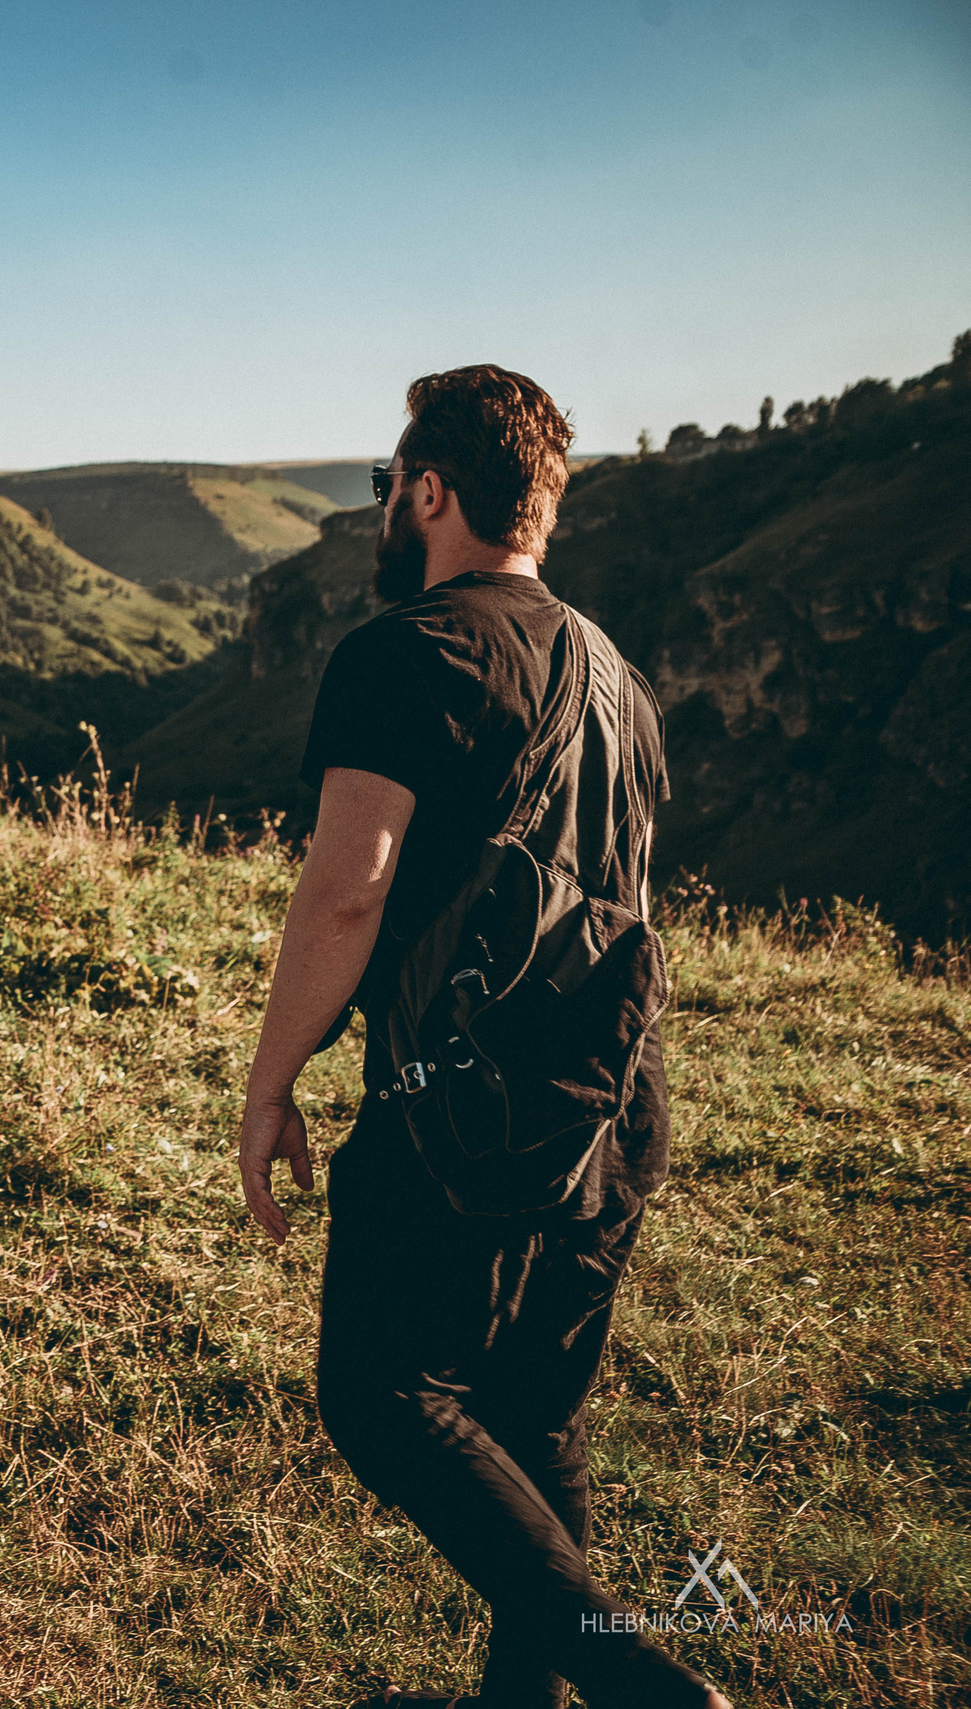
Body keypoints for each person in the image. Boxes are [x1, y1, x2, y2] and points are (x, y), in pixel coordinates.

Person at [235, 368, 733, 1709]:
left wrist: (272, 1080)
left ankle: (650, 1691)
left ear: (435, 490)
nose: (385, 509)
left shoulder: (407, 651)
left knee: (384, 1395)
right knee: (537, 1420)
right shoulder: (619, 677)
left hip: (465, 1102)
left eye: (390, 487)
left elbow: (350, 890)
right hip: (614, 1101)